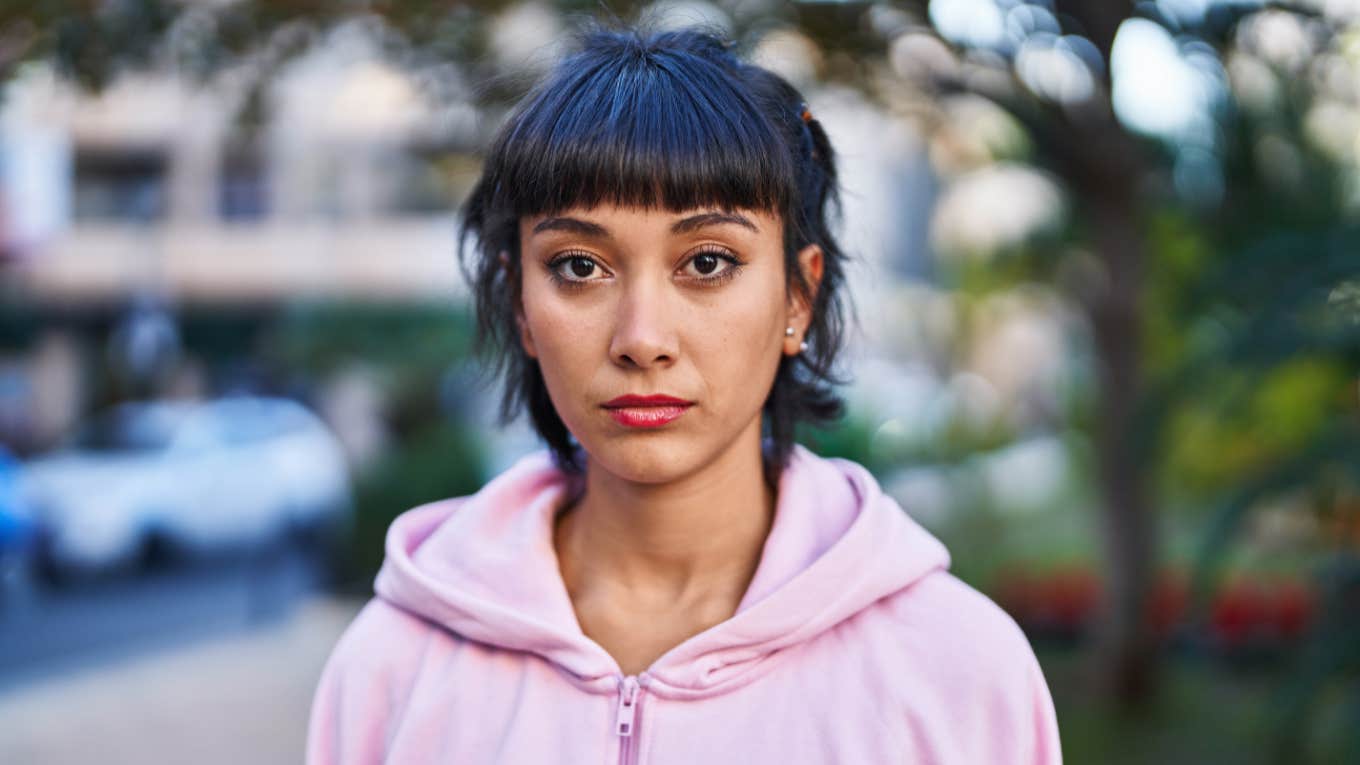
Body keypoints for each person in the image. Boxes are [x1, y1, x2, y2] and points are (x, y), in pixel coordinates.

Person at [307, 24, 1062, 765]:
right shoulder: (391, 669)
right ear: (518, 305)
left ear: (798, 296)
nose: (642, 336)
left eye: (706, 260)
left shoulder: (958, 671)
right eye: (578, 266)